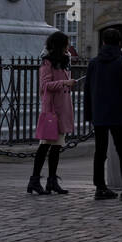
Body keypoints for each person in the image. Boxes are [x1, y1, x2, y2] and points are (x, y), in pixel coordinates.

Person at [85, 28, 122, 201]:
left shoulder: (94, 63)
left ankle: (100, 187)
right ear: (119, 43)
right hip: (117, 112)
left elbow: (87, 90)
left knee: (99, 152)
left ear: (103, 43)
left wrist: (88, 114)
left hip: (99, 113)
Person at [28, 31, 77, 196]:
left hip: (62, 108)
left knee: (56, 147)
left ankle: (52, 180)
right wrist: (65, 82)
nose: (68, 47)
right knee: (45, 146)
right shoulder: (47, 62)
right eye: (65, 44)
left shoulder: (63, 61)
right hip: (52, 110)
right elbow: (45, 85)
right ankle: (34, 180)